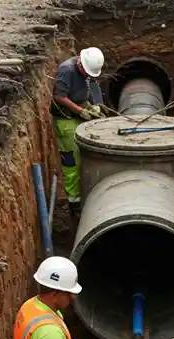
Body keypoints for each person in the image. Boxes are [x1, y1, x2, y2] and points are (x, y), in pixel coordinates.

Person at [51, 47, 106, 219]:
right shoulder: (66, 70)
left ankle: (90, 191)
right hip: (66, 119)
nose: (88, 76)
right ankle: (74, 203)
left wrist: (94, 104)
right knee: (72, 162)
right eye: (87, 73)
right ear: (80, 64)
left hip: (79, 113)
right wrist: (80, 111)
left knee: (90, 151)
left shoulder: (87, 70)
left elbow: (93, 86)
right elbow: (58, 96)